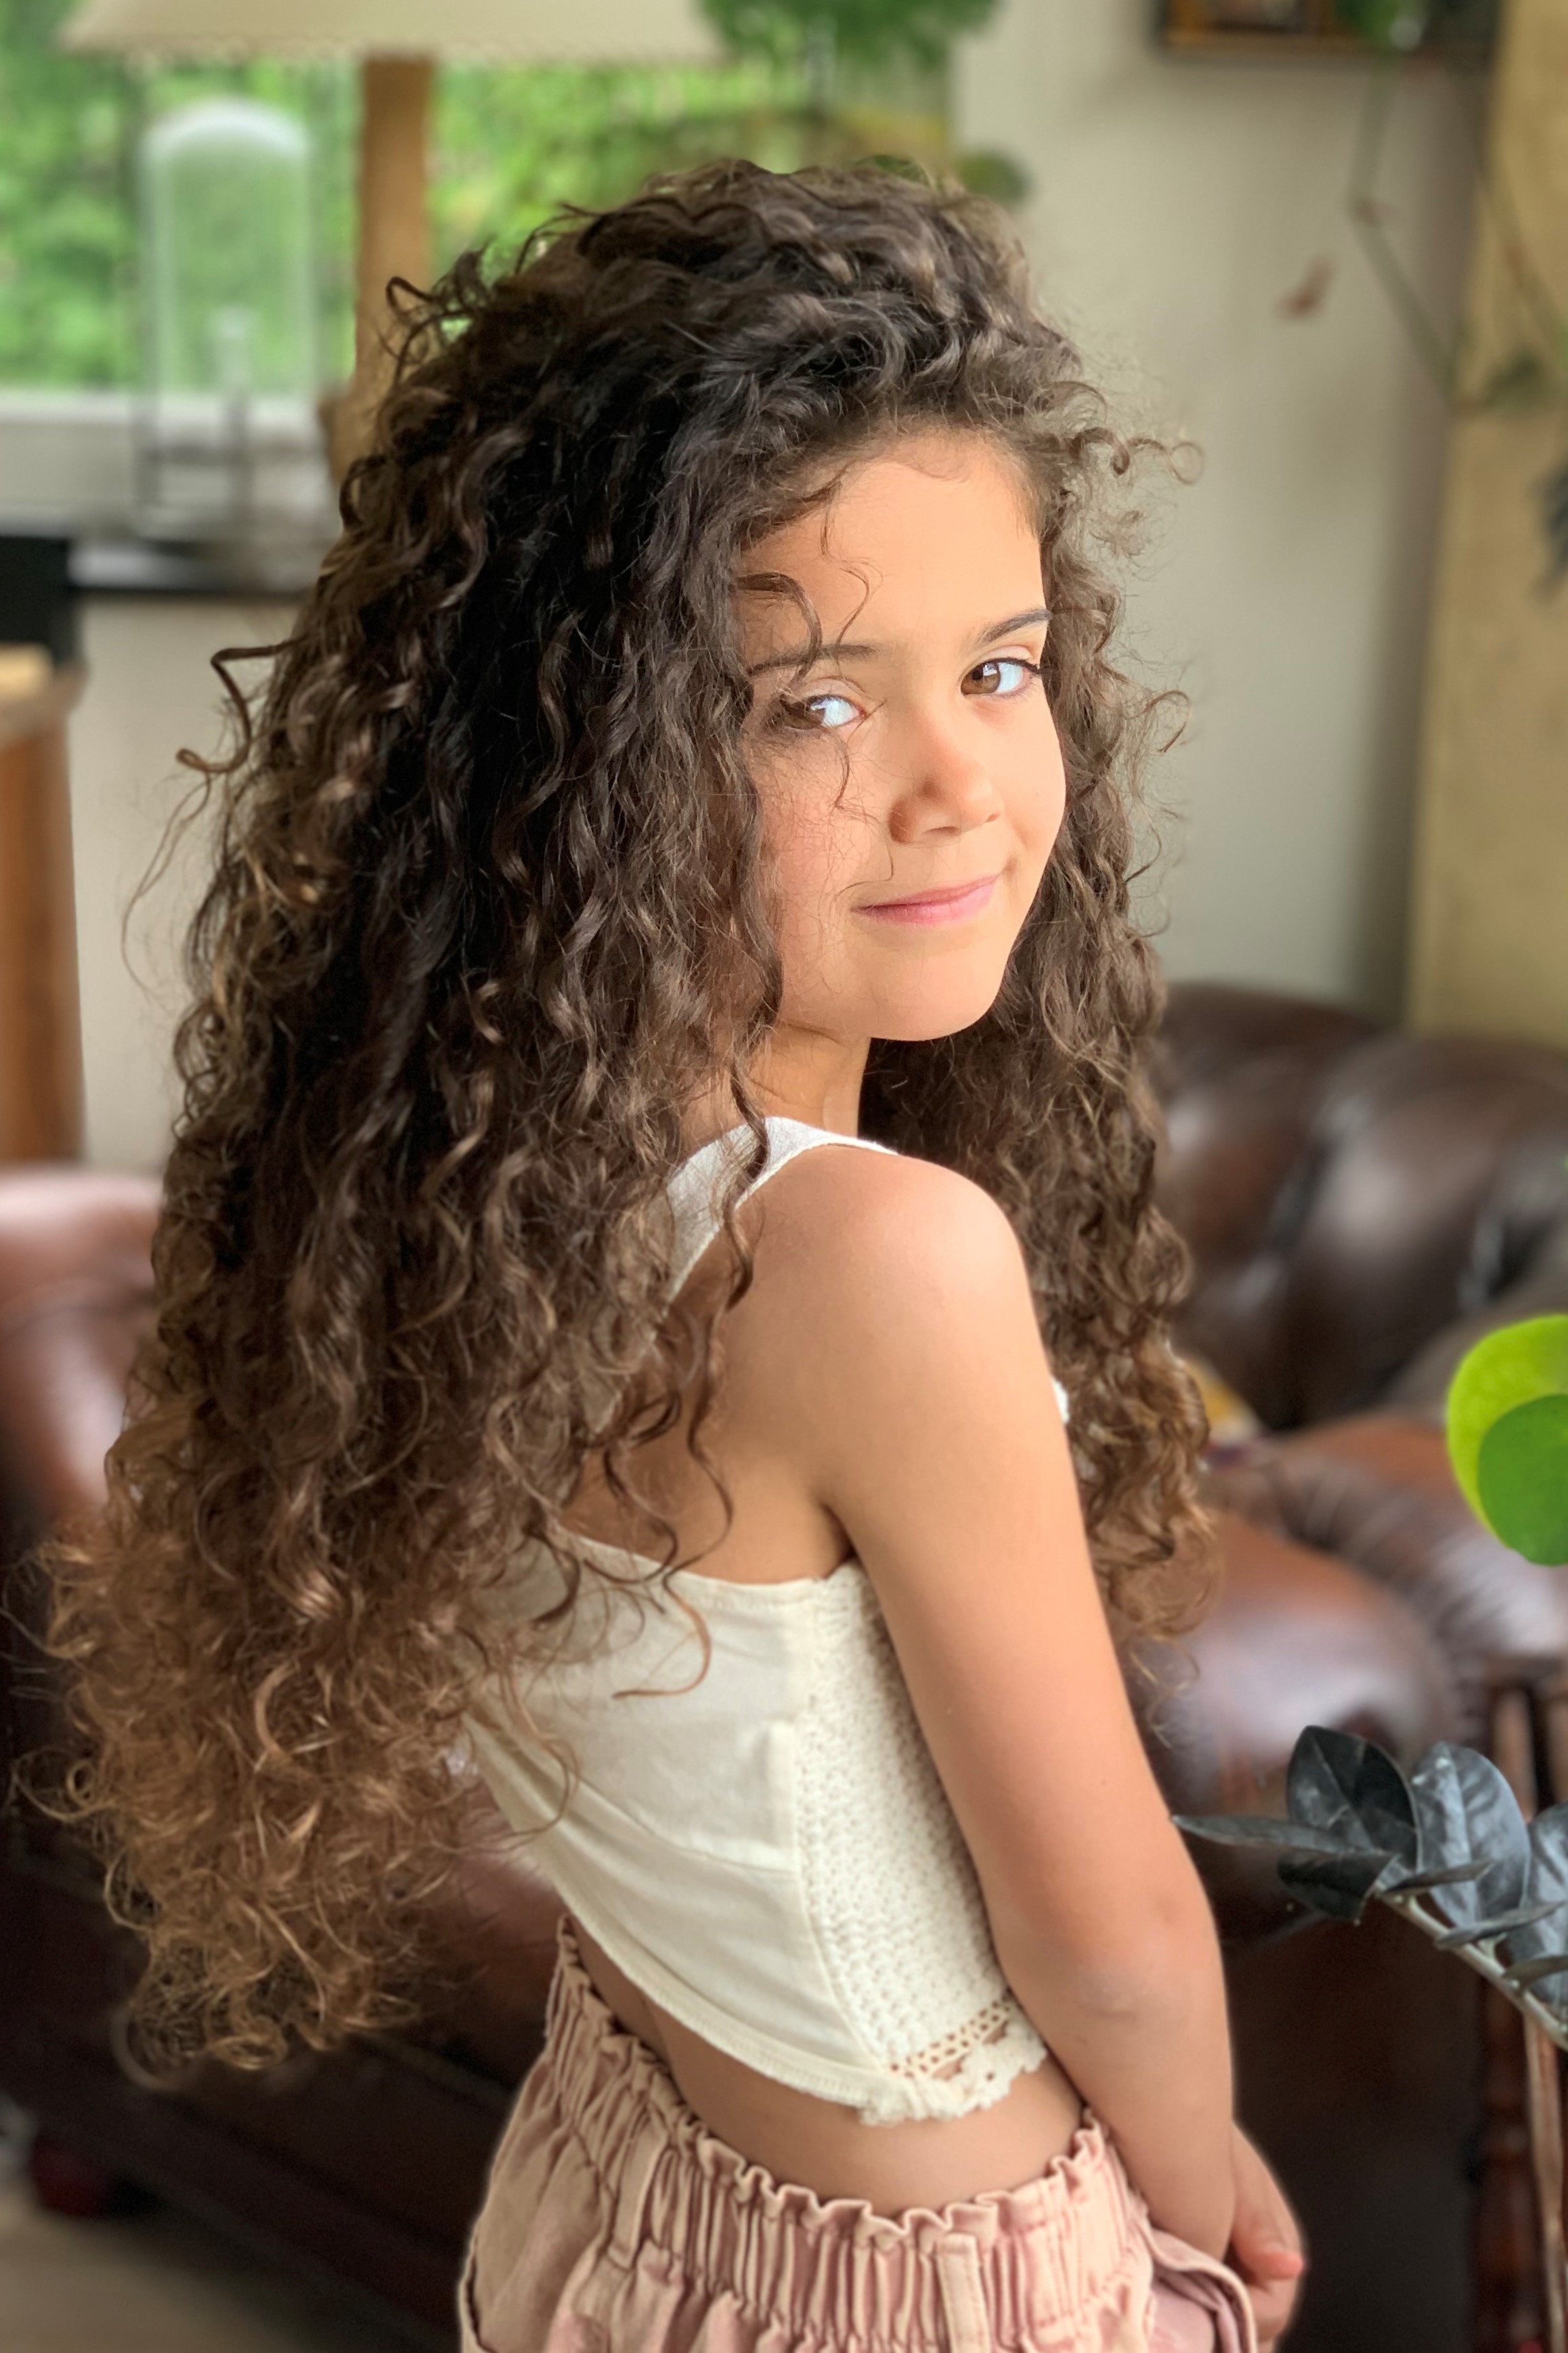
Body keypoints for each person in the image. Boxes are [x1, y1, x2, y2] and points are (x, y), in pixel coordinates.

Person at [41, 161, 1307, 2352]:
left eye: (999, 668)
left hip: (630, 2195)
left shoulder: (454, 1207)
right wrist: (1202, 2209)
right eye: (811, 702)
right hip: (938, 2285)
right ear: (584, 754)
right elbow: (1104, 1933)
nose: (955, 781)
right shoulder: (879, 1259)